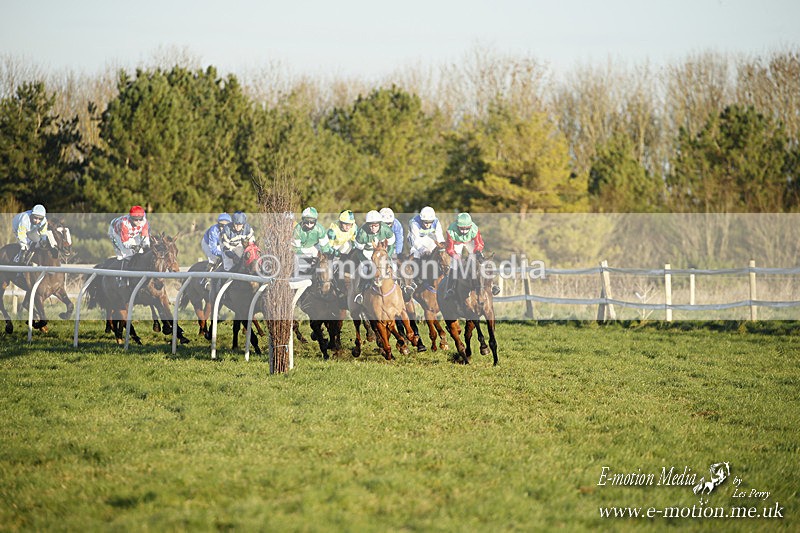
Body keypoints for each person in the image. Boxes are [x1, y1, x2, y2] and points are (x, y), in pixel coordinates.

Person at [445, 212, 500, 296]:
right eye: (462, 228)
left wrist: (477, 252)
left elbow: (479, 243)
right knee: (454, 264)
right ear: (457, 226)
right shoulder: (451, 230)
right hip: (456, 243)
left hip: (470, 241)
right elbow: (450, 248)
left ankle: (492, 285)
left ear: (470, 226)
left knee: (482, 260)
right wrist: (456, 256)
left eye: (467, 228)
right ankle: (450, 288)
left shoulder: (474, 228)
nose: (464, 231)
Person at [353, 210, 396, 304]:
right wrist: (366, 261)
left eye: (376, 225)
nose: (373, 228)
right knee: (365, 270)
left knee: (394, 266)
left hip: (383, 252)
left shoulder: (387, 230)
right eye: (371, 225)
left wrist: (387, 256)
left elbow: (392, 245)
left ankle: (401, 288)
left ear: (380, 224)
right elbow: (358, 251)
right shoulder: (362, 233)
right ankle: (361, 293)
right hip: (368, 253)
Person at [407, 206, 446, 289]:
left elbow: (439, 236)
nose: (427, 224)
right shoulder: (414, 222)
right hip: (415, 240)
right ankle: (416, 278)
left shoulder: (436, 221)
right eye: (425, 222)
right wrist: (423, 250)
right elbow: (415, 241)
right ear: (421, 220)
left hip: (427, 238)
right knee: (417, 253)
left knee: (436, 251)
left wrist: (442, 247)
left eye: (430, 222)